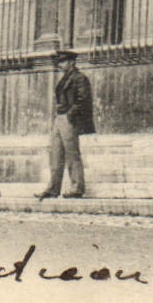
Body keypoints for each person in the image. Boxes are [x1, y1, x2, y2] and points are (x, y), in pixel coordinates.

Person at [38, 48, 93, 199]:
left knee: (72, 154)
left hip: (70, 119)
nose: (60, 64)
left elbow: (83, 100)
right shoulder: (65, 78)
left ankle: (77, 187)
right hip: (60, 118)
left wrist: (70, 114)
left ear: (71, 62)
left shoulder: (79, 78)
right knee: (55, 153)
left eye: (63, 61)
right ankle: (53, 189)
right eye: (59, 62)